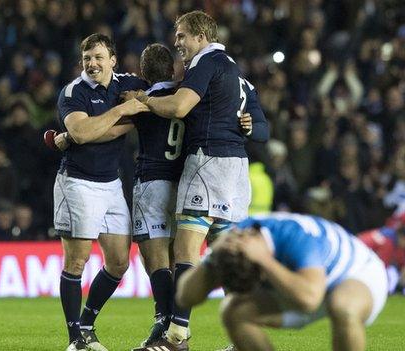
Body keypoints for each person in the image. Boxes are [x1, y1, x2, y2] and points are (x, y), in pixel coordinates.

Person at [125, 11, 269, 349]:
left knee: (186, 248)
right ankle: (243, 337)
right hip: (237, 169)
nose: (177, 44)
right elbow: (263, 129)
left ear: (201, 37)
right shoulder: (240, 77)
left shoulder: (207, 63)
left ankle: (177, 333)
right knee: (228, 256)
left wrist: (144, 100)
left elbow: (179, 107)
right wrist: (249, 126)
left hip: (208, 163)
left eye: (181, 36)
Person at [53, 33, 149, 351]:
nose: (92, 64)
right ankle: (74, 341)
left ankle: (87, 325)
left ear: (112, 60)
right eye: (87, 59)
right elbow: (81, 133)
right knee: (77, 262)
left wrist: (139, 103)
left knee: (119, 262)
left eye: (98, 57)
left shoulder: (128, 82)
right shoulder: (73, 92)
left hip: (111, 184)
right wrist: (125, 114)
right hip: (77, 182)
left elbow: (159, 88)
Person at [176, 212, 388, 351]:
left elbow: (309, 299)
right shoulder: (231, 245)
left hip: (354, 273)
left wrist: (264, 260)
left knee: (343, 307)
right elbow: (185, 297)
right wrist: (212, 261)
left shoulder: (295, 237)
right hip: (302, 285)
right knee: (234, 311)